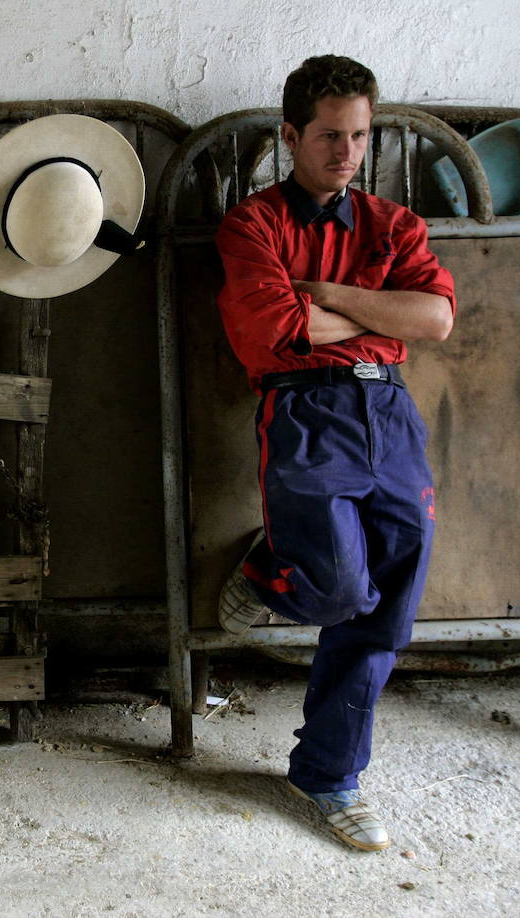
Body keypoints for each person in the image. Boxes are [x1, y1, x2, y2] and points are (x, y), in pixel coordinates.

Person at [214, 55, 455, 851]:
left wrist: (335, 297)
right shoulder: (254, 225)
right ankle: (267, 572)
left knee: (390, 602)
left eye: (358, 135)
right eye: (328, 136)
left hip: (388, 408)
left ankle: (327, 775)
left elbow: (434, 320)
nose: (346, 153)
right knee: (337, 593)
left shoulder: (395, 226)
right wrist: (376, 315)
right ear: (291, 136)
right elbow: (272, 333)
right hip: (306, 410)